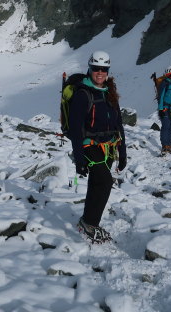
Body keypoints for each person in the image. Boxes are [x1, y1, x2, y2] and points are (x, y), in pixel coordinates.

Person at [68, 51, 127, 243]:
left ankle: (87, 220)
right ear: (90, 69)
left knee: (96, 183)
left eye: (104, 69)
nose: (100, 73)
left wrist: (123, 152)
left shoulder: (109, 92)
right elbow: (75, 129)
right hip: (90, 147)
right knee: (104, 182)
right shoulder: (82, 94)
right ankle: (91, 224)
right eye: (96, 69)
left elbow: (119, 124)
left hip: (109, 148)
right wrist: (79, 159)